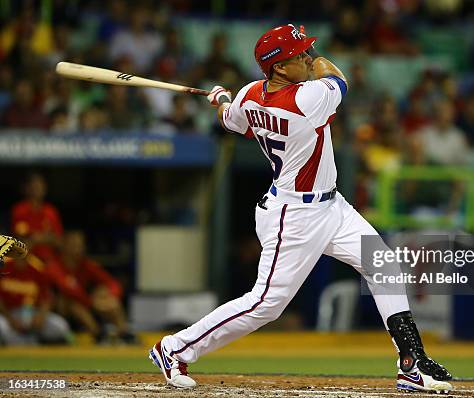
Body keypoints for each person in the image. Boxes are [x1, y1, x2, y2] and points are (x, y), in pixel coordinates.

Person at [148, 24, 452, 393]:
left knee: (383, 265)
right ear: (278, 68)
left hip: (331, 205)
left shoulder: (249, 95)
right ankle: (174, 347)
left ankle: (412, 363)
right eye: (298, 55)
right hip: (293, 216)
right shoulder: (307, 99)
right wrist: (316, 62)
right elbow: (337, 78)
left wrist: (222, 101)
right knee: (266, 303)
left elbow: (232, 121)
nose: (308, 58)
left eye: (307, 52)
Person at [45, 230, 134, 344]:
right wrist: (92, 301)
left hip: (87, 305)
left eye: (80, 245)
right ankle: (98, 334)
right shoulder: (54, 266)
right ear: (64, 245)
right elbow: (69, 291)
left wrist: (106, 294)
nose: (78, 249)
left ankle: (124, 333)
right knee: (72, 303)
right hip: (59, 311)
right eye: (74, 245)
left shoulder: (85, 264)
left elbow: (113, 283)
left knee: (110, 300)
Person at [0, 255, 71, 345]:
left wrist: (41, 316)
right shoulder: (4, 266)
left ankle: (36, 343)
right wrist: (10, 319)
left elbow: (47, 298)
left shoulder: (38, 267)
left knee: (61, 326)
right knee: (1, 327)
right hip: (9, 315)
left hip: (34, 313)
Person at [11, 173, 63, 262]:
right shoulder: (19, 210)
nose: (37, 189)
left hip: (49, 261)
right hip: (27, 260)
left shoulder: (51, 211)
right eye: (34, 185)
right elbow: (20, 238)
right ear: (26, 188)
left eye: (40, 185)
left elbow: (59, 240)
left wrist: (37, 238)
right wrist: (46, 237)